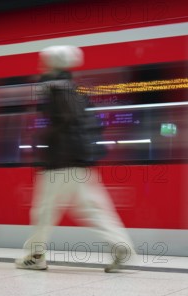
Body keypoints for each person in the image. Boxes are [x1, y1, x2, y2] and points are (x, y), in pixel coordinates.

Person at [15, 45, 133, 272]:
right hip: (80, 159)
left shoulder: (55, 88)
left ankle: (35, 256)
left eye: (44, 61)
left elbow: (66, 121)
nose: (41, 65)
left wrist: (42, 137)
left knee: (44, 210)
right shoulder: (75, 89)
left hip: (61, 160)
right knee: (93, 209)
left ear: (51, 63)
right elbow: (89, 122)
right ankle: (120, 246)